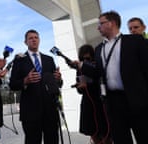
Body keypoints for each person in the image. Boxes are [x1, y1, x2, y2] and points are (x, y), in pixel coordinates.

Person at [75, 11, 148, 144]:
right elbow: (98, 73)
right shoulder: (98, 49)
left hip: (136, 100)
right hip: (113, 103)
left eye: (101, 24)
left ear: (112, 23)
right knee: (120, 139)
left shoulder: (135, 41)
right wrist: (81, 66)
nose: (98, 27)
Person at [9, 29, 63, 144]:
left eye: (36, 37)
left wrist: (58, 79)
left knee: (53, 140)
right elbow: (12, 84)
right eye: (30, 38)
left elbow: (56, 84)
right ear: (25, 42)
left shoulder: (49, 59)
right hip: (30, 112)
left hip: (50, 110)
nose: (34, 40)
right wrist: (25, 80)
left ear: (39, 40)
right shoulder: (19, 60)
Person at [74, 44, 111, 144]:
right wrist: (80, 87)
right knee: (93, 133)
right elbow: (79, 90)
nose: (85, 61)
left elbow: (101, 79)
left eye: (87, 58)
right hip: (88, 104)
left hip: (100, 102)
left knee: (106, 133)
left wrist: (90, 84)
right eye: (83, 59)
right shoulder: (79, 69)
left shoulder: (97, 65)